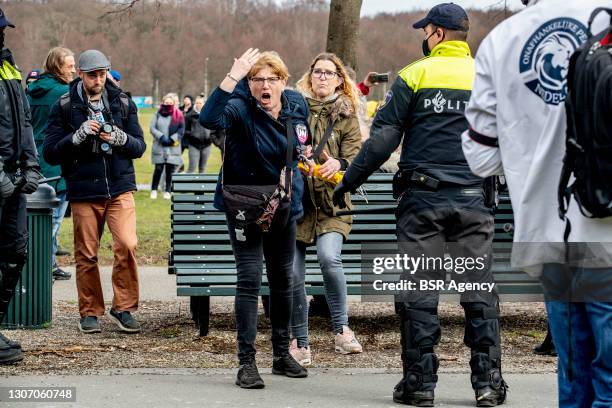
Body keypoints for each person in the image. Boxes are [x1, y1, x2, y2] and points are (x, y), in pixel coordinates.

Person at [333, 4, 508, 406]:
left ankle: (419, 385)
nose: (423, 36)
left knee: (419, 293)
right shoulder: (489, 78)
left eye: (425, 30)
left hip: (422, 202)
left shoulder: (414, 75)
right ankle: (488, 384)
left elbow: (381, 142)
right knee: (479, 292)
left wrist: (348, 182)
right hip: (474, 200)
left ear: (438, 34)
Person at [461, 1, 612, 406]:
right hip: (606, 229)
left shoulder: (501, 40)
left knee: (574, 370)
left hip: (547, 232)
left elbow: (481, 158)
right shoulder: (605, 19)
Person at [200, 48, 309, 389]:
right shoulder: (238, 107)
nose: (264, 85)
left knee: (283, 280)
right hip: (244, 206)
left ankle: (280, 354)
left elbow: (302, 146)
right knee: (249, 279)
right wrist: (232, 77)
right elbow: (208, 120)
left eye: (271, 79)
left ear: (283, 81)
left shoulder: (295, 106)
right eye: (256, 79)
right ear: (248, 84)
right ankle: (246, 362)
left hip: (283, 206)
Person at [43, 49, 146, 334]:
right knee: (86, 254)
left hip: (120, 187)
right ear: (81, 75)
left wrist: (119, 137)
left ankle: (123, 307)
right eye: (92, 75)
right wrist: (76, 137)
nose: (98, 80)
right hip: (84, 190)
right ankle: (89, 312)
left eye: (102, 74)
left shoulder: (123, 101)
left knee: (127, 245)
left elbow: (139, 147)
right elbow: (50, 152)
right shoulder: (64, 105)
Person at [290, 52, 363, 366]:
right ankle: (299, 340)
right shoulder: (294, 109)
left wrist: (341, 163)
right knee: (293, 274)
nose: (322, 77)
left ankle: (342, 329)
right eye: (317, 71)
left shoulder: (346, 115)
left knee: (329, 258)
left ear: (339, 79)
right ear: (310, 76)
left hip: (333, 204)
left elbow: (357, 158)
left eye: (329, 73)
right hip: (297, 205)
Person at [0, 7, 43, 365]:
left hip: (15, 182)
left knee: (15, 252)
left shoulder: (10, 68)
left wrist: (32, 165)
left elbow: (24, 124)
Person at [26, 46, 76, 281]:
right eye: (70, 66)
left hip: (32, 157)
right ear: (57, 66)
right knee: (53, 218)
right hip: (56, 159)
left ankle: (50, 261)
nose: (74, 71)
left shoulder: (31, 91)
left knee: (38, 214)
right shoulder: (64, 93)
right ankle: (42, 264)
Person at [149, 94, 184, 199]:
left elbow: (181, 129)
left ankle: (168, 191)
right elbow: (152, 128)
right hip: (159, 145)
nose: (168, 104)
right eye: (166, 102)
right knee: (158, 168)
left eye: (170, 103)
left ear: (173, 104)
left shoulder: (179, 114)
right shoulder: (157, 114)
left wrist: (172, 139)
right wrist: (161, 137)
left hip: (172, 146)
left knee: (170, 169)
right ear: (163, 103)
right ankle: (154, 190)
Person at [184, 96, 212, 173]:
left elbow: (214, 129)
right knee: (192, 167)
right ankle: (187, 184)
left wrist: (211, 137)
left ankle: (202, 185)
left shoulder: (209, 114)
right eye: (197, 103)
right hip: (193, 144)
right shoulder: (189, 115)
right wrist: (192, 134)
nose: (198, 104)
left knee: (202, 168)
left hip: (206, 145)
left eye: (200, 103)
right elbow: (185, 130)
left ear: (204, 104)